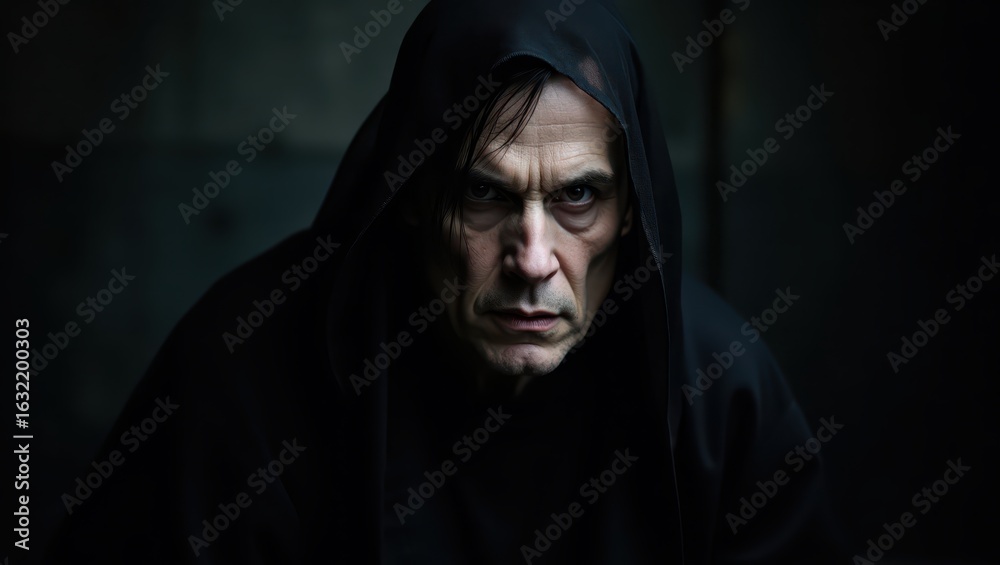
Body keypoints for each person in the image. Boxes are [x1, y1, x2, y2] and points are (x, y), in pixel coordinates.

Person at [47, 0, 843, 562]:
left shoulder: (720, 392)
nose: (533, 258)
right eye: (485, 193)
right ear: (413, 196)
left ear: (631, 211)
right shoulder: (243, 374)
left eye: (578, 196)